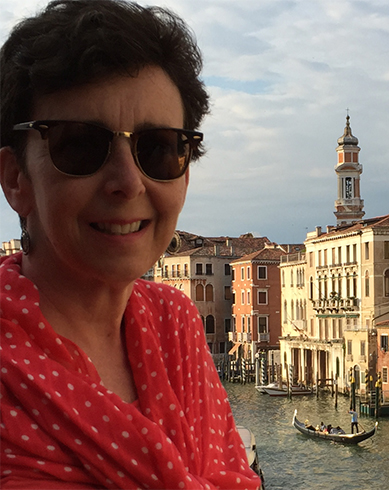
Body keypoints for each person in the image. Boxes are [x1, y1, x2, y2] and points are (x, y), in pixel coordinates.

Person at [0, 1, 260, 488]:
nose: (128, 182)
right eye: (79, 144)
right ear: (16, 179)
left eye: (159, 148)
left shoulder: (177, 324)